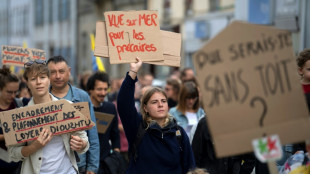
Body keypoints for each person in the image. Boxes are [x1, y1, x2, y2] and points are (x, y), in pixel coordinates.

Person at [8, 60, 89, 174]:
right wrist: (34, 146)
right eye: (33, 79)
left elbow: (84, 140)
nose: (38, 82)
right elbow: (13, 154)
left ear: (49, 80)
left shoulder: (67, 106)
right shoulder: (20, 115)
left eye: (42, 77)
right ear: (27, 84)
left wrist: (81, 144)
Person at [117, 57, 195, 173]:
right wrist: (133, 71)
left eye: (163, 101)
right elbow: (124, 104)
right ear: (145, 108)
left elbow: (189, 167)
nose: (160, 105)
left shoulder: (179, 133)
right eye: (154, 102)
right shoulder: (138, 127)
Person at [47, 56, 100, 174]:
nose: (58, 76)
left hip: (78, 164)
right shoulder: (41, 99)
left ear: (69, 72)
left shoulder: (82, 97)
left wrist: (92, 167)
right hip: (49, 166)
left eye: (61, 71)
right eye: (53, 72)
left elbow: (92, 133)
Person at [86, 71, 123, 174]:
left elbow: (115, 134)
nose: (103, 93)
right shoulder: (83, 109)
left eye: (105, 89)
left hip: (105, 163)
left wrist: (116, 154)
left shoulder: (110, 108)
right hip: (86, 163)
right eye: (99, 89)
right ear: (90, 90)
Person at [0, 66, 26, 174]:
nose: (13, 95)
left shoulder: (19, 104)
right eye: (9, 92)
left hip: (17, 164)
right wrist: (9, 136)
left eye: (16, 92)